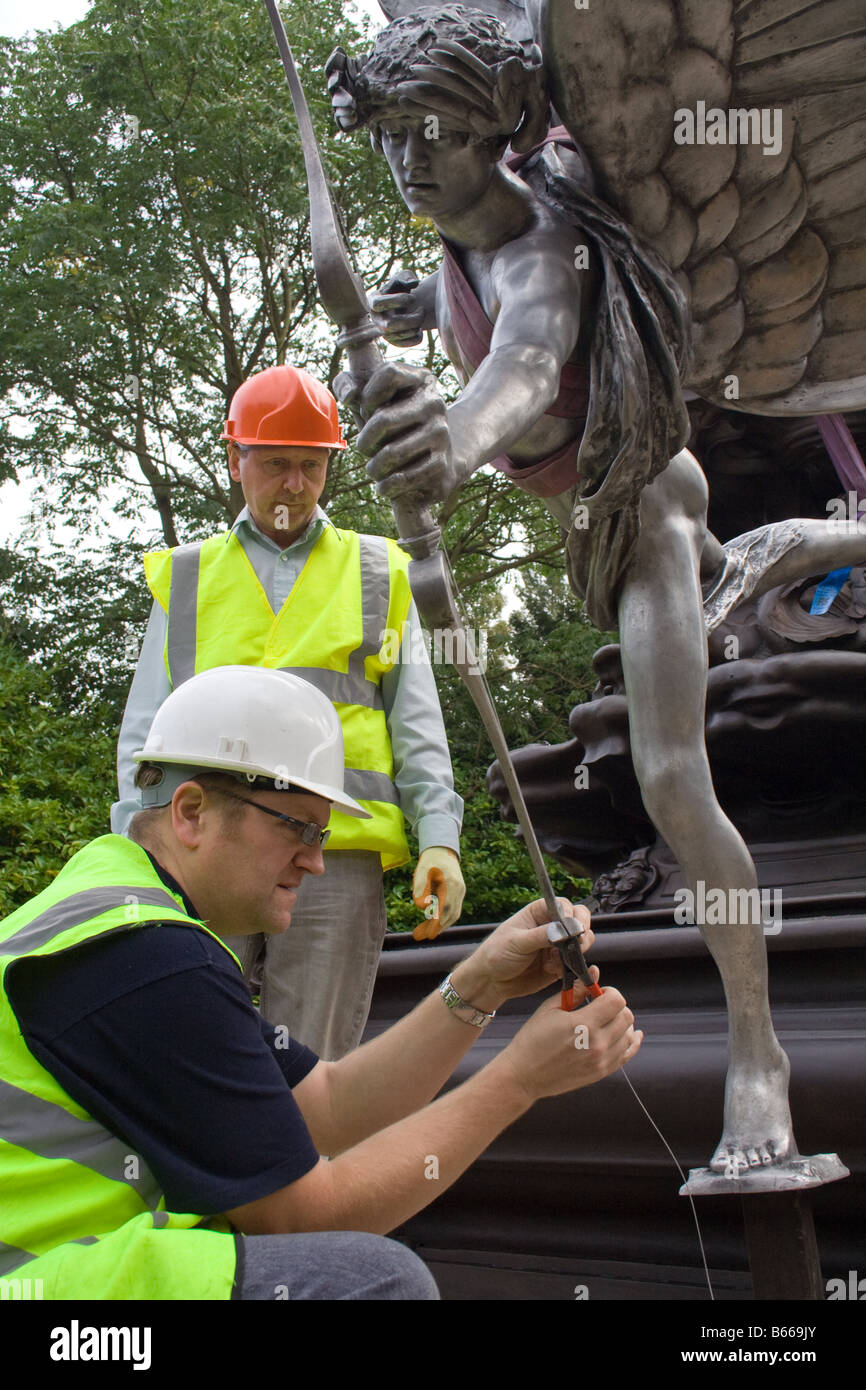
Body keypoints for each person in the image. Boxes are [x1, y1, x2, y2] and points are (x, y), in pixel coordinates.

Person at [326, 8, 866, 1177]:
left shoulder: (536, 245)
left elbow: (526, 355)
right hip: (599, 514)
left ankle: (756, 1058)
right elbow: (467, 295)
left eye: (441, 135)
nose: (414, 160)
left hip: (641, 511)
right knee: (744, 575)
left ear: (497, 133)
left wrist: (452, 444)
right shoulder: (462, 225)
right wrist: (417, 314)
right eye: (395, 134)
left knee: (673, 783)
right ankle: (784, 552)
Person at [0, 666, 641, 1300]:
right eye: (299, 828)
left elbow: (329, 1107)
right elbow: (306, 1217)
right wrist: (520, 1080)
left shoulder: (123, 921)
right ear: (191, 812)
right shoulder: (145, 956)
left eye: (324, 833)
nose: (316, 859)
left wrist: (479, 985)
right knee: (373, 1279)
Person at [112, 363, 465, 1059]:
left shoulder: (380, 571)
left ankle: (307, 1171)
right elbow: (143, 738)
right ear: (235, 457)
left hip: (332, 862)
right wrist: (135, 854)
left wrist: (440, 839)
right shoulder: (186, 577)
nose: (296, 484)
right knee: (190, 1054)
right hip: (203, 854)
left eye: (313, 465)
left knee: (315, 1067)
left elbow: (416, 724)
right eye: (277, 464)